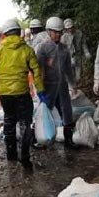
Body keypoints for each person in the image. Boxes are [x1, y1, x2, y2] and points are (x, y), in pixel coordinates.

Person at [0, 19, 48, 170]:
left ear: (4, 34)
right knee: (26, 124)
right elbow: (36, 72)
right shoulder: (27, 49)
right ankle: (25, 156)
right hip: (22, 93)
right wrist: (41, 91)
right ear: (18, 32)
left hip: (5, 95)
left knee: (9, 122)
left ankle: (11, 154)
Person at [36, 16, 78, 149]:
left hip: (62, 85)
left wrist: (73, 85)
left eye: (60, 32)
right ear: (48, 31)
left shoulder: (64, 48)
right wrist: (39, 88)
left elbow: (68, 69)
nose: (58, 35)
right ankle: (39, 137)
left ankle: (68, 140)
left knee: (67, 112)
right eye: (55, 32)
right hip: (48, 85)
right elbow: (37, 69)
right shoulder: (42, 48)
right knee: (44, 110)